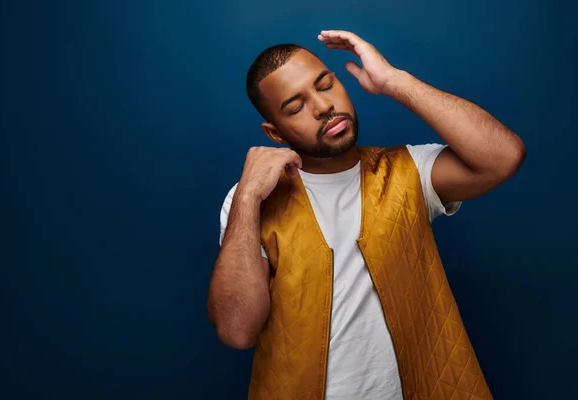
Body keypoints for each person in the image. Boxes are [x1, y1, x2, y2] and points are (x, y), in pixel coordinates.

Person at [207, 30, 526, 400]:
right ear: (274, 133)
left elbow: (504, 156)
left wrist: (395, 81)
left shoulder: (410, 170)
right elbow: (236, 330)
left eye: (326, 85)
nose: (323, 106)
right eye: (296, 107)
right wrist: (247, 196)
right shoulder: (250, 201)